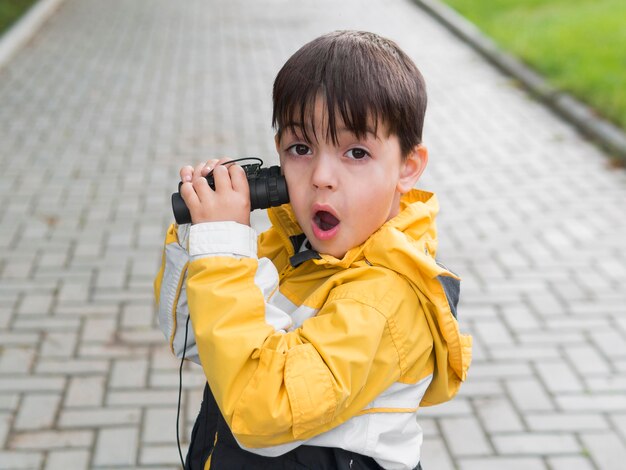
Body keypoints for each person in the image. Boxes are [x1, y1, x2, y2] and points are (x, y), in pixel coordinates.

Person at [154, 30, 472, 470]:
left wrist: (225, 252)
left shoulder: (385, 299)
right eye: (301, 149)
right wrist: (204, 240)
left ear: (408, 167)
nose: (322, 176)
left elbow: (266, 410)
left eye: (356, 153)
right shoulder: (289, 252)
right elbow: (193, 338)